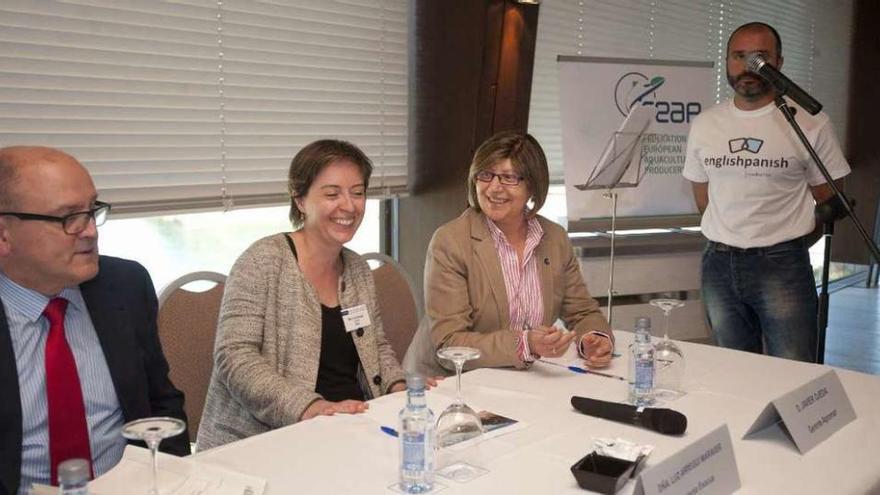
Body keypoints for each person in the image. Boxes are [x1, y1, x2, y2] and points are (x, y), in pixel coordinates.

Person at [0, 146, 189, 495]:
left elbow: (162, 404)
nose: (89, 231)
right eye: (67, 217)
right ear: (4, 235)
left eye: (91, 210)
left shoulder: (124, 286)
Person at [196, 139, 407, 451]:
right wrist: (310, 407)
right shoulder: (262, 261)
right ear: (300, 199)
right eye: (332, 194)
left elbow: (375, 347)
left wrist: (401, 390)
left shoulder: (358, 269)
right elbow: (235, 357)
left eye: (358, 192)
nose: (348, 205)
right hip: (268, 441)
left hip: (351, 428)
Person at [682, 22, 851, 362]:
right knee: (733, 369)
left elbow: (830, 199)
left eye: (760, 57)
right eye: (739, 56)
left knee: (794, 374)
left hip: (782, 265)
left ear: (779, 63)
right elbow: (703, 197)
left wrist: (786, 243)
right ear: (727, 61)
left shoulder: (809, 123)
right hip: (718, 263)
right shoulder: (705, 124)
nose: (748, 66)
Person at [405, 131, 613, 376]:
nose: (494, 188)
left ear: (533, 186)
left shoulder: (554, 238)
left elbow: (583, 311)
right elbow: (451, 343)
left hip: (520, 379)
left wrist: (594, 338)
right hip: (447, 381)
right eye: (486, 175)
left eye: (509, 177)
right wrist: (524, 344)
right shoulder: (450, 242)